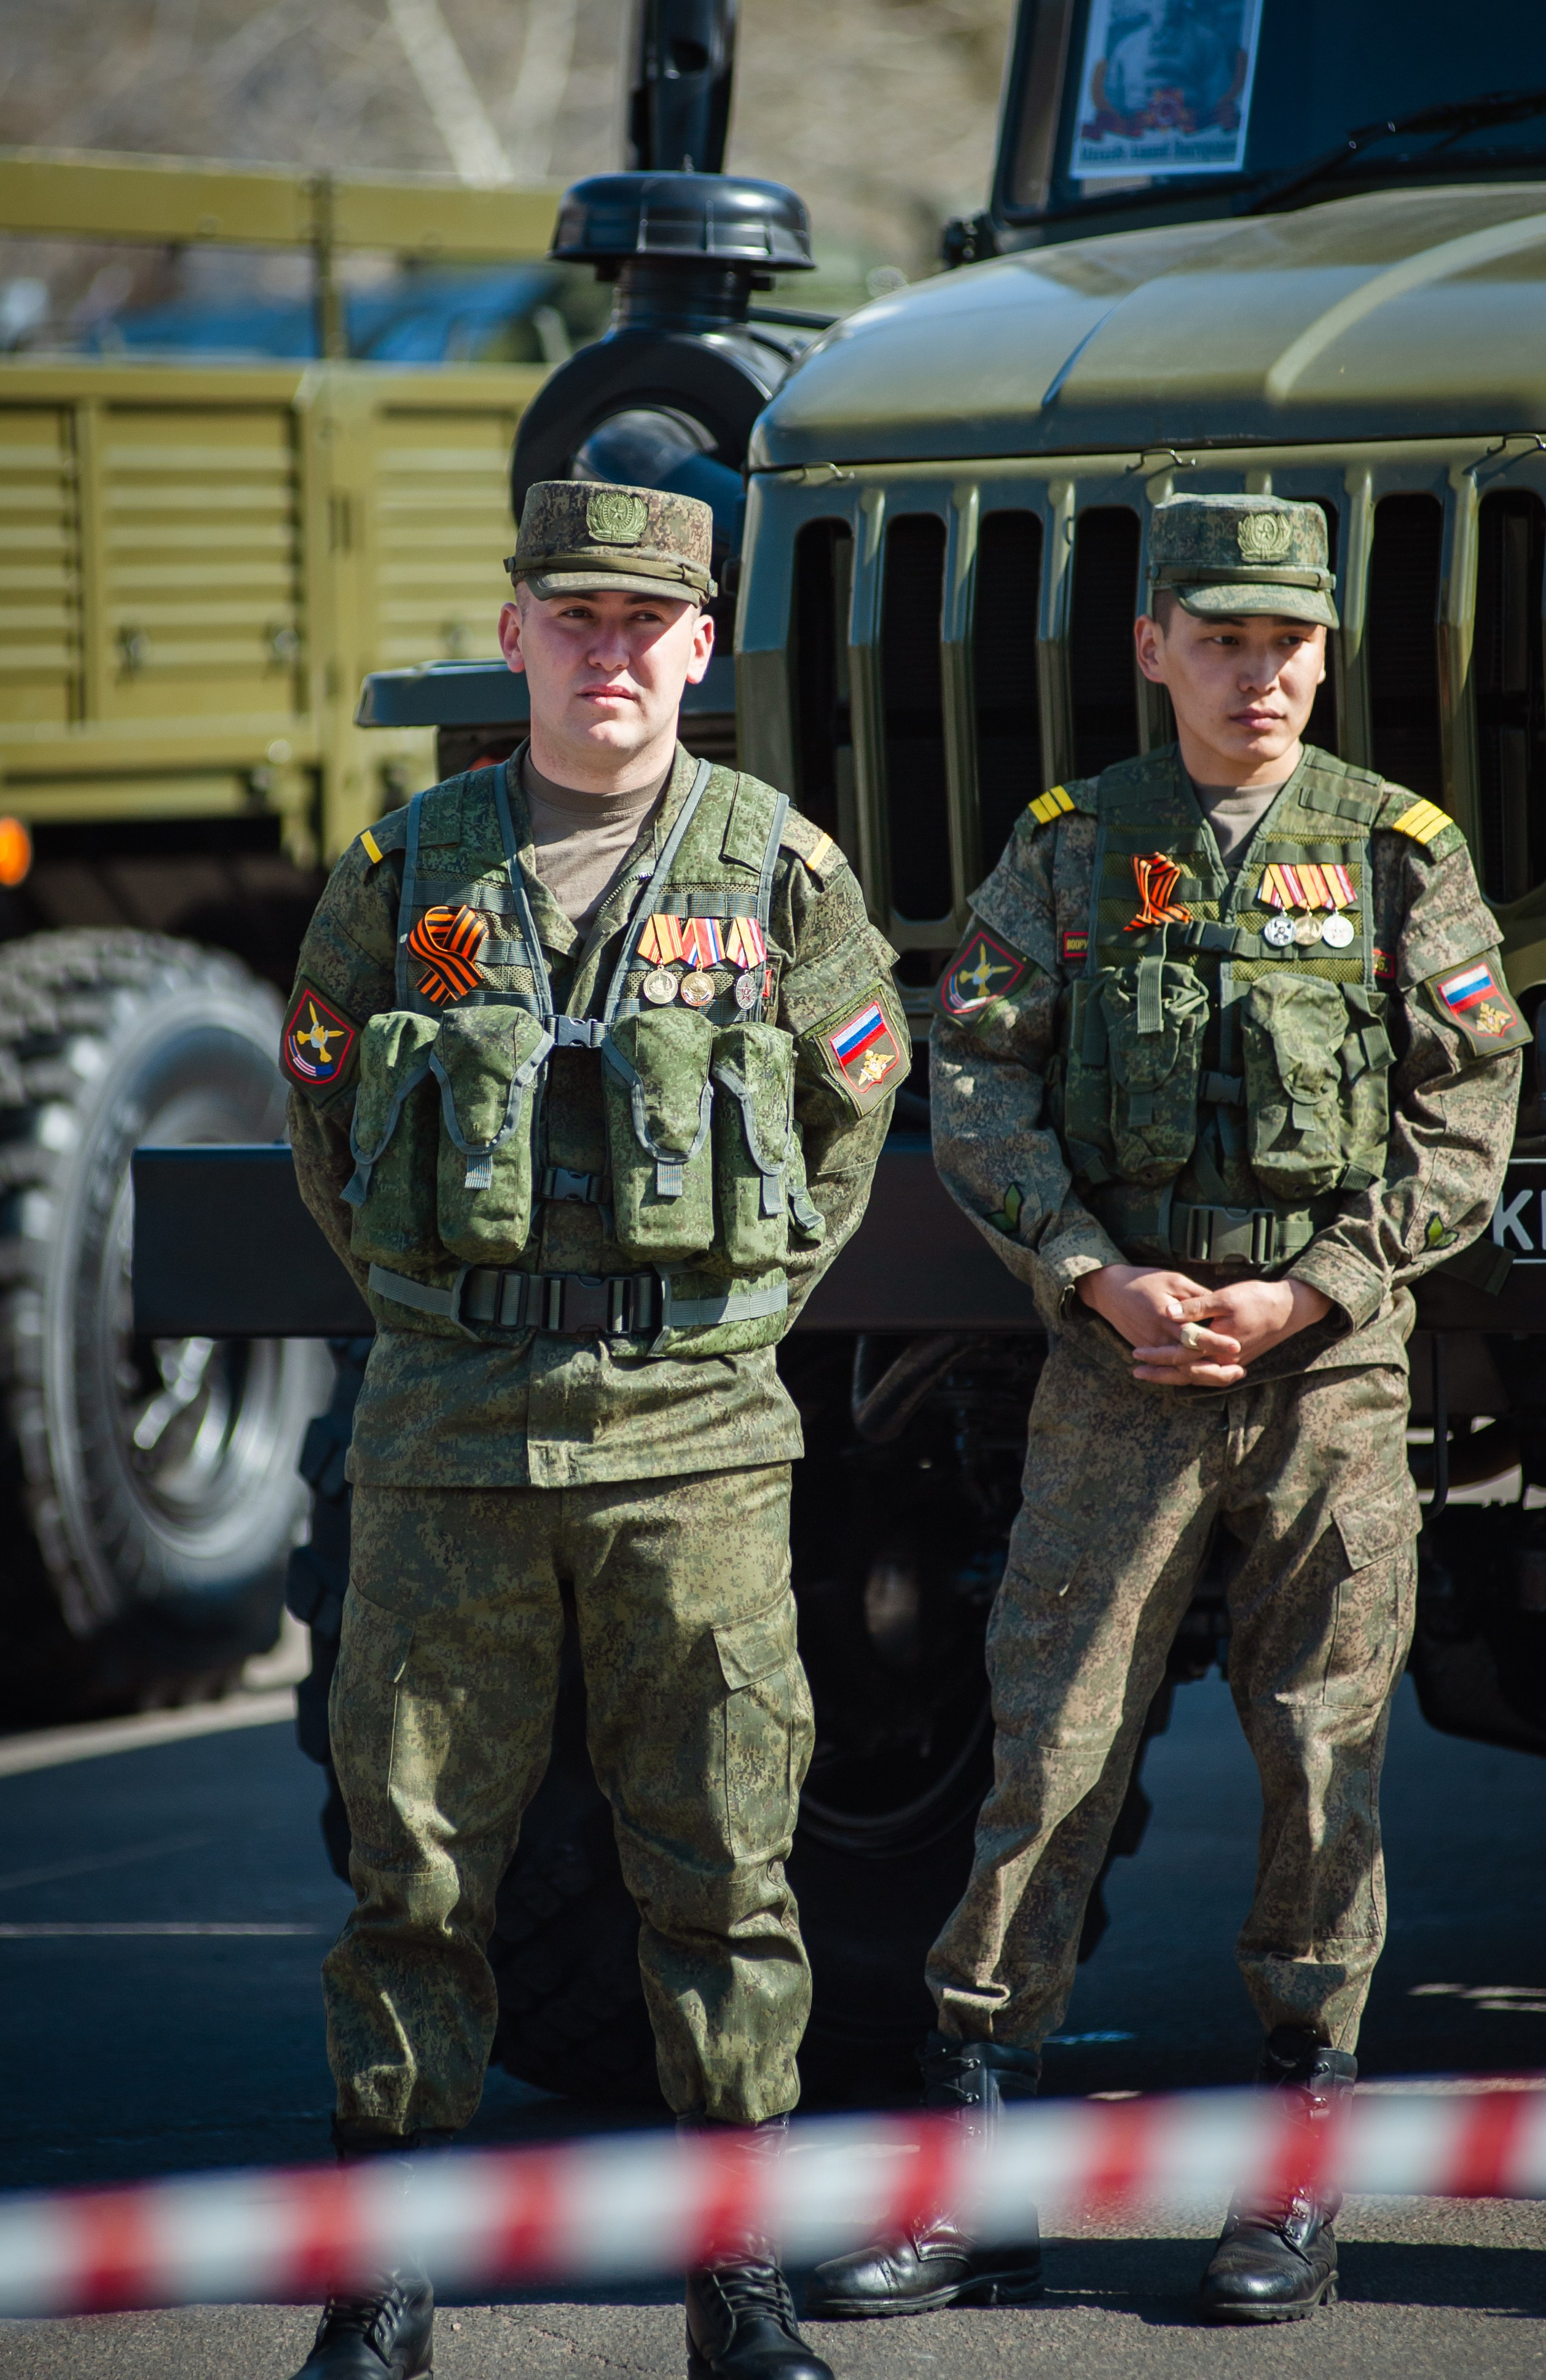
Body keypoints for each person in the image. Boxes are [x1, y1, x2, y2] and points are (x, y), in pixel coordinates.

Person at [808, 493, 1523, 2327]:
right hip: (1116, 1366)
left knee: (1322, 1755)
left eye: (1290, 641)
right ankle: (983, 2175)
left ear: (1328, 653)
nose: (1259, 672)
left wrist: (1324, 1289)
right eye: (1221, 636)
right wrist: (1087, 1272)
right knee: (1047, 1751)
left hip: (1328, 1371)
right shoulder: (1069, 849)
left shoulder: (1395, 853)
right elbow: (975, 1073)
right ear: (1153, 648)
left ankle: (1294, 2178)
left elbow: (1470, 1104)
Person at [280, 480, 908, 2380]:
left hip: (695, 1444)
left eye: (649, 618)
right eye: (576, 614)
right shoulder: (408, 871)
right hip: (449, 1439)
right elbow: (325, 1110)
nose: (611, 648)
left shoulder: (780, 870)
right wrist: (449, 1326)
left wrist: (715, 1330)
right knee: (416, 1871)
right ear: (515, 633)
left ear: (704, 647)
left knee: (722, 1862)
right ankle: (383, 2286)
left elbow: (850, 1115)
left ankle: (740, 2276)